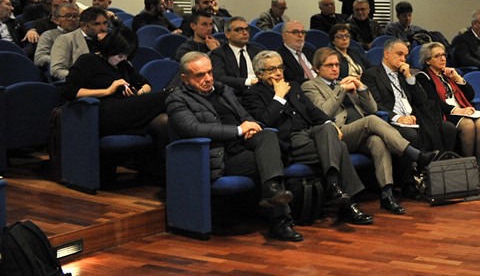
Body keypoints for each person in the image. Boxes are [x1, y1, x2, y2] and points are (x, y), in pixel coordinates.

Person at [166, 53, 302, 242]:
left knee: (268, 135)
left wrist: (252, 126)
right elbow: (192, 129)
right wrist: (238, 130)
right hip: (218, 155)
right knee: (271, 161)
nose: (208, 78)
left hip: (243, 146)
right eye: (200, 75)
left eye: (210, 72)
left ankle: (273, 191)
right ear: (185, 78)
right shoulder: (177, 99)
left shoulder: (223, 91)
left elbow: (246, 116)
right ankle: (281, 221)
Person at [241, 51, 372, 226]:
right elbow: (262, 123)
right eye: (272, 69)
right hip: (288, 141)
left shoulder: (294, 86)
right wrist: (278, 97)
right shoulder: (252, 94)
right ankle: (345, 201)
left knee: (327, 128)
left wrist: (329, 123)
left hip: (309, 132)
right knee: (339, 148)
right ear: (259, 74)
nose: (278, 73)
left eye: (280, 67)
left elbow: (312, 110)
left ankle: (336, 189)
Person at [303, 47, 434, 215]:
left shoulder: (344, 82)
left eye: (337, 65)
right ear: (317, 68)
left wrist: (361, 87)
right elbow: (323, 112)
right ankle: (414, 154)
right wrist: (341, 90)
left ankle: (387, 194)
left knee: (378, 142)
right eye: (329, 65)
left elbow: (372, 108)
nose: (335, 68)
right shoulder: (310, 86)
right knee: (372, 120)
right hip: (337, 134)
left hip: (360, 132)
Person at [62, 27, 169, 151]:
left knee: (163, 121)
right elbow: (68, 91)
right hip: (103, 112)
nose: (123, 59)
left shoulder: (122, 65)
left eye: (126, 56)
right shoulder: (88, 60)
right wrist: (108, 90)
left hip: (125, 110)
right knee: (166, 96)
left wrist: (139, 93)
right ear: (110, 49)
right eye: (120, 55)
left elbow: (145, 84)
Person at [363, 40, 454, 157]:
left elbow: (422, 99)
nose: (403, 59)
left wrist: (408, 76)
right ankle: (419, 165)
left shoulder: (404, 74)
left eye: (405, 56)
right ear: (386, 54)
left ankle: (444, 162)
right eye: (399, 54)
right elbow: (376, 105)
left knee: (448, 128)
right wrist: (398, 118)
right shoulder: (371, 75)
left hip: (413, 117)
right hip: (391, 120)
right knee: (411, 134)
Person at [420, 41, 480, 163]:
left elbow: (470, 95)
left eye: (444, 55)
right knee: (468, 125)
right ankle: (468, 166)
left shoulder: (447, 74)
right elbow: (434, 102)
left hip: (460, 111)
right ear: (428, 61)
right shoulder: (423, 77)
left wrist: (457, 78)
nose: (443, 59)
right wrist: (458, 110)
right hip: (443, 113)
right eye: (437, 56)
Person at [49, 7, 111, 81]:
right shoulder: (66, 40)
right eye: (96, 24)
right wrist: (83, 78)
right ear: (83, 25)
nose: (103, 28)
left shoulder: (109, 39)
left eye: (105, 23)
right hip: (79, 84)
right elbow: (56, 70)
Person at [209, 16, 263, 93]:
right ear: (228, 34)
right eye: (239, 30)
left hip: (259, 92)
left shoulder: (258, 51)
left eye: (246, 29)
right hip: (235, 94)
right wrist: (248, 81)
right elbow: (219, 78)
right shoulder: (219, 54)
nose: (245, 33)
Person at [34, 2, 81, 71]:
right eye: (68, 16)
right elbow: (39, 58)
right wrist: (60, 59)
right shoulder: (48, 35)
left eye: (75, 16)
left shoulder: (82, 35)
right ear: (56, 20)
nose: (73, 19)